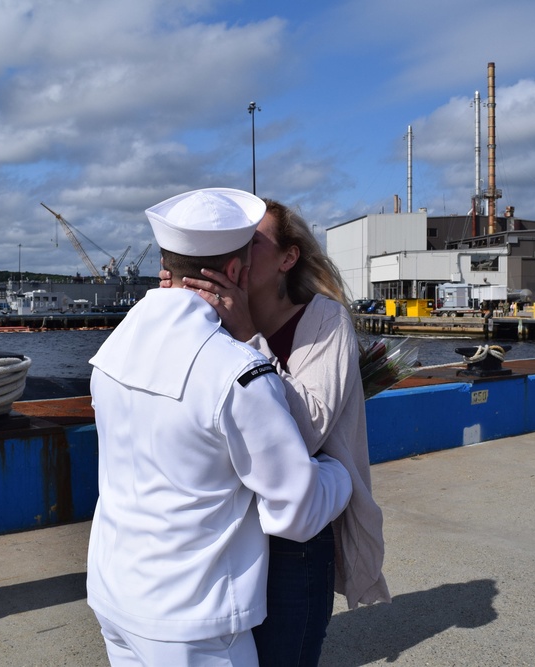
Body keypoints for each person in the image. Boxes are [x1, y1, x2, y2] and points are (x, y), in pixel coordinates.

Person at [86, 188, 353, 666]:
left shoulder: (115, 347)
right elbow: (295, 509)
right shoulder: (238, 372)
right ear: (234, 272)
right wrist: (339, 475)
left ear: (167, 264)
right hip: (193, 619)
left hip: (114, 596)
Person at [166, 199, 390, 666]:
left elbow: (307, 433)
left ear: (288, 259)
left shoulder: (324, 321)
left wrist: (248, 338)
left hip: (296, 537)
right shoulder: (208, 318)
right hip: (227, 529)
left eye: (254, 242)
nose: (239, 253)